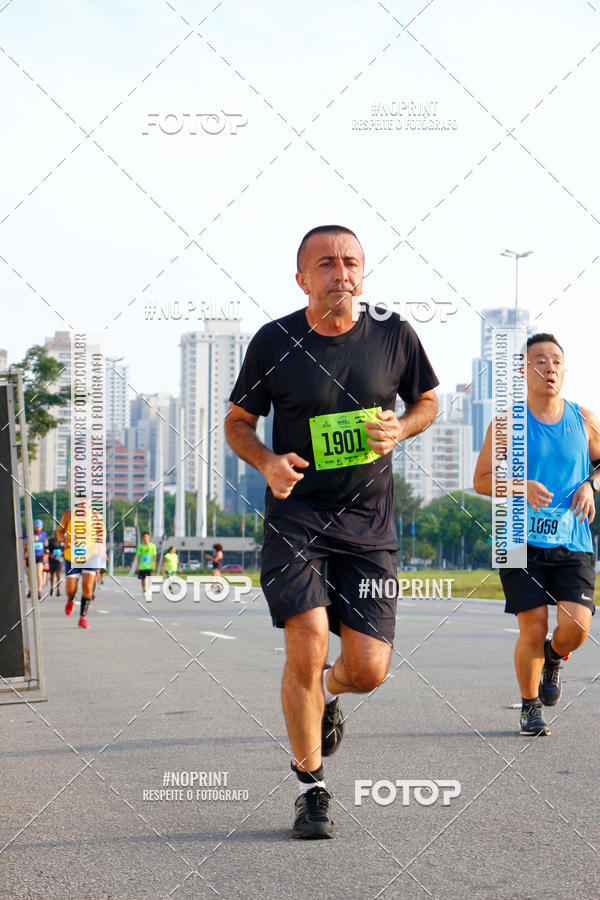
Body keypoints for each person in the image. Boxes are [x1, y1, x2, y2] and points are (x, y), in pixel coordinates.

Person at [225, 224, 438, 838]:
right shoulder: (275, 342)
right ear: (302, 277)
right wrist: (266, 461)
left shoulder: (394, 332)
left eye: (350, 262)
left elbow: (425, 401)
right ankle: (312, 788)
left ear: (362, 273)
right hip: (297, 518)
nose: (340, 272)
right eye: (325, 263)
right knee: (308, 642)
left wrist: (402, 427)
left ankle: (328, 695)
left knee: (369, 669)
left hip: (369, 524)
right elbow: (239, 421)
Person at [474, 333, 600, 736]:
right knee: (532, 626)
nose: (549, 368)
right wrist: (519, 486)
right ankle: (530, 707)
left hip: (573, 538)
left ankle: (555, 656)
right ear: (524, 370)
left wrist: (590, 486)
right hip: (515, 536)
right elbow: (480, 481)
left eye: (556, 362)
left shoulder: (583, 419)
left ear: (564, 370)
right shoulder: (508, 422)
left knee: (576, 628)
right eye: (540, 360)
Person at [57, 507, 105, 629]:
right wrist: (64, 541)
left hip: (91, 555)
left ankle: (82, 617)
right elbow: (59, 532)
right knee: (70, 589)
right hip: (72, 556)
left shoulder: (95, 516)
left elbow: (102, 532)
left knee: (88, 587)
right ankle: (70, 599)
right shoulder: (68, 514)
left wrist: (100, 545)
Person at [24, 519, 48, 598]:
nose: (37, 528)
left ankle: (39, 590)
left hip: (39, 557)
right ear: (34, 526)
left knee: (38, 574)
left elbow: (41, 539)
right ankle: (31, 589)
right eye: (36, 527)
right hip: (30, 557)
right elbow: (24, 542)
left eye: (39, 527)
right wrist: (30, 541)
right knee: (30, 575)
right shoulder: (29, 534)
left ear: (41, 527)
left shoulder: (43, 534)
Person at [47, 531, 64, 597]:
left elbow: (64, 549)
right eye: (55, 534)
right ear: (54, 534)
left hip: (59, 560)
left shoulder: (61, 541)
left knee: (58, 575)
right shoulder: (50, 541)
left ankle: (58, 589)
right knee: (52, 575)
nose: (57, 535)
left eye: (58, 534)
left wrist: (62, 554)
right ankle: (52, 587)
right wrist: (49, 554)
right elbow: (47, 549)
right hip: (52, 560)